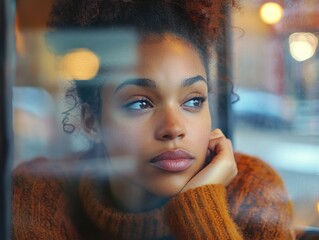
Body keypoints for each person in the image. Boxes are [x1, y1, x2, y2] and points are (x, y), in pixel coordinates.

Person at [11, 0, 295, 239]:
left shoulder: (253, 191)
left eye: (193, 101)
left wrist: (202, 209)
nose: (173, 128)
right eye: (140, 103)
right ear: (91, 121)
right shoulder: (40, 191)